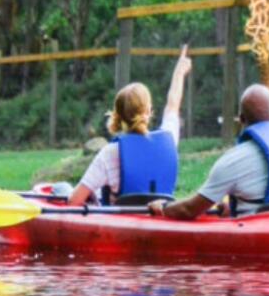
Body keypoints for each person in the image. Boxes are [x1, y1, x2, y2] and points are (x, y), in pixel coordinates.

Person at [156, 83, 269, 218]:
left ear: (242, 120)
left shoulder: (234, 160)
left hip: (264, 241)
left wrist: (164, 207)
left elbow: (188, 210)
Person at [70, 46, 193, 206]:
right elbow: (172, 105)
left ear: (117, 115)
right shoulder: (169, 139)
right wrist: (179, 72)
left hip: (118, 226)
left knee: (64, 189)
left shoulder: (110, 153)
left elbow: (74, 201)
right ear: (149, 111)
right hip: (159, 220)